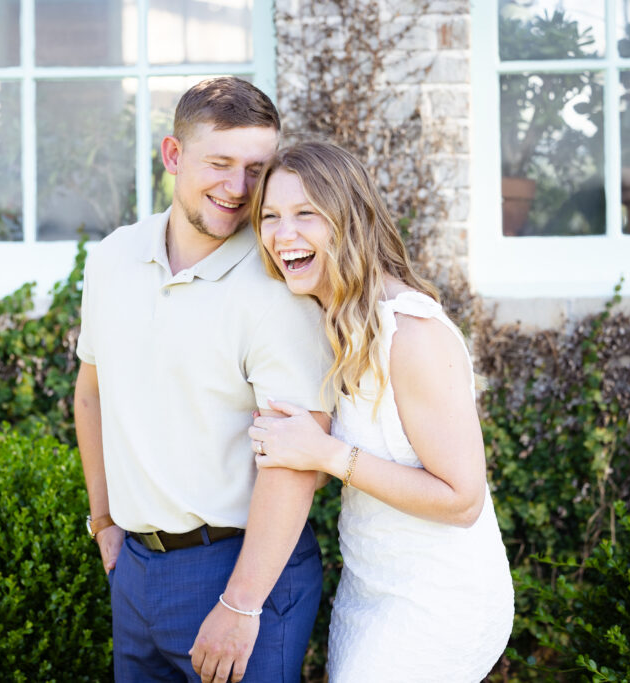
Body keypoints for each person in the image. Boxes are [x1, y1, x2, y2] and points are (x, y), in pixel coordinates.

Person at [73, 78, 335, 683]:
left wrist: (241, 603)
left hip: (242, 568)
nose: (238, 189)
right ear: (173, 155)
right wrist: (105, 520)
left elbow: (300, 460)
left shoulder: (280, 285)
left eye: (256, 169)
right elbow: (92, 393)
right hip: (135, 568)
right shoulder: (113, 257)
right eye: (219, 163)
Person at [246, 141, 515, 682]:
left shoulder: (412, 335)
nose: (283, 235)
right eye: (270, 217)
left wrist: (325, 453)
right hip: (369, 589)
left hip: (439, 599)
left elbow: (462, 499)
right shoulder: (330, 320)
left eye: (305, 214)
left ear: (349, 221)